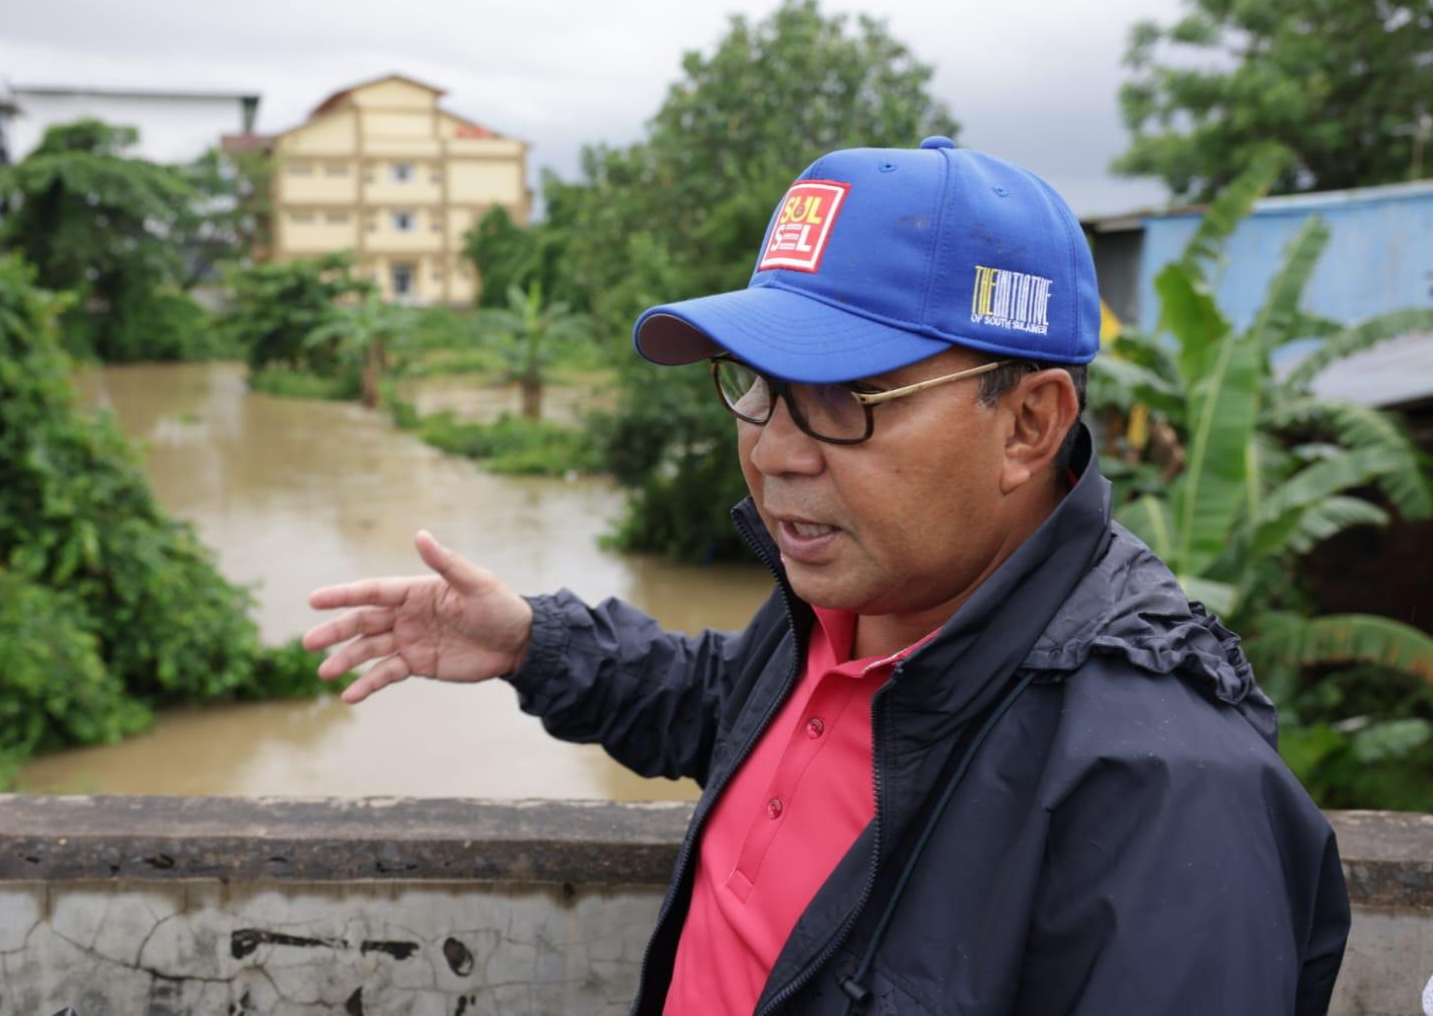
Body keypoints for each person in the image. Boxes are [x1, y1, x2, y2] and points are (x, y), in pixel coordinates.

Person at [304, 139, 1350, 1015]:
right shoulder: (847, 602)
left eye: (846, 397)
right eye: (758, 385)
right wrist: (534, 641)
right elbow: (729, 705)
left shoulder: (1162, 796)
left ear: (1029, 425)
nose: (773, 450)